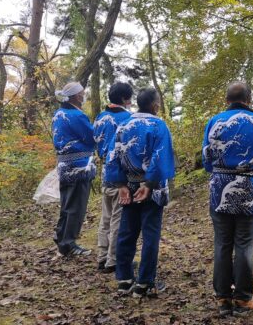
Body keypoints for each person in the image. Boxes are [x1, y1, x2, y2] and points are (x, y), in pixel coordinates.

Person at [202, 81, 253, 317]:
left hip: (219, 187)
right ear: (249, 99)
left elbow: (206, 157)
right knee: (244, 243)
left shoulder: (214, 122)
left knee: (222, 243)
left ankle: (223, 298)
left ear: (227, 100)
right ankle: (243, 299)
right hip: (250, 189)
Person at [105, 88, 175, 297]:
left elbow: (112, 155)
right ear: (154, 105)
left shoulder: (123, 125)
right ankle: (145, 282)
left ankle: (124, 279)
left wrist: (120, 185)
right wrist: (150, 183)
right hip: (150, 188)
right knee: (150, 234)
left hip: (129, 186)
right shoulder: (158, 125)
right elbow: (162, 156)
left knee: (127, 232)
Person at [52, 81, 96, 257]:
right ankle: (68, 243)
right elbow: (92, 137)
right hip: (78, 165)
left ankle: (61, 236)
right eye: (82, 93)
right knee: (76, 206)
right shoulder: (77, 116)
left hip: (64, 164)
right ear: (77, 96)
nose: (84, 95)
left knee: (67, 204)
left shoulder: (59, 114)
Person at [93, 82, 133, 273]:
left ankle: (101, 256)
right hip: (121, 174)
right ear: (125, 99)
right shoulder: (128, 119)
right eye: (130, 98)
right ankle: (113, 260)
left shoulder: (100, 118)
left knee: (106, 217)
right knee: (119, 217)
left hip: (104, 172)